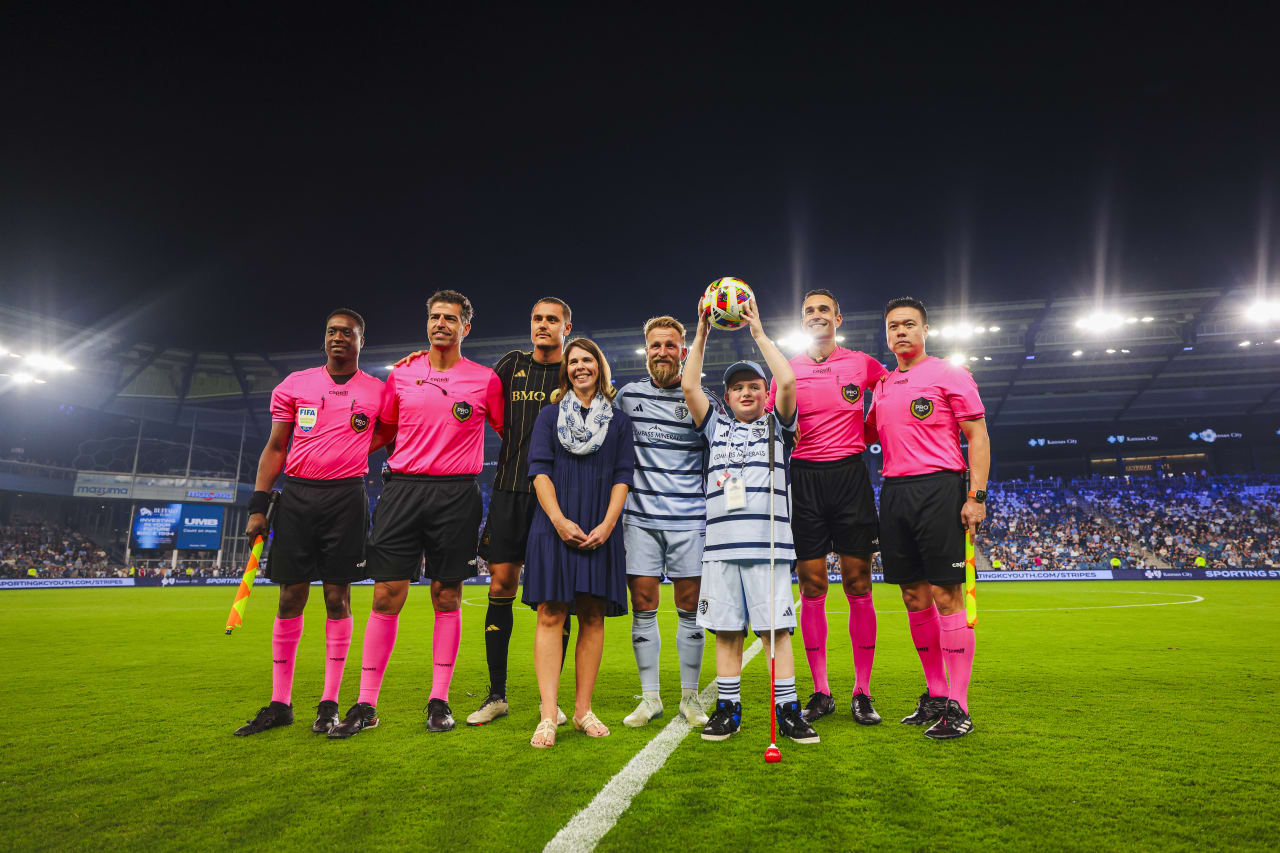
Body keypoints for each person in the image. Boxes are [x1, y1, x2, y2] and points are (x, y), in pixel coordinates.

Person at [328, 290, 504, 738]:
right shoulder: (402, 375)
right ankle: (366, 704)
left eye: (450, 318)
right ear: (427, 323)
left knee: (446, 595)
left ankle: (439, 699)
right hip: (402, 490)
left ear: (466, 327)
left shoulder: (485, 380)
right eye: (434, 317)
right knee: (386, 595)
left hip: (457, 494)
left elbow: (510, 432)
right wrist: (333, 457)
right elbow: (382, 431)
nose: (440, 323)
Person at [234, 308, 387, 736]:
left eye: (348, 333)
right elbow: (275, 447)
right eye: (332, 331)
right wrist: (258, 506)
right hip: (298, 496)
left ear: (361, 341)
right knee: (290, 598)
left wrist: (354, 447)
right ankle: (280, 704)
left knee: (337, 598)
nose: (338, 337)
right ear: (324, 338)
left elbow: (390, 430)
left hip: (346, 498)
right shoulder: (294, 385)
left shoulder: (378, 391)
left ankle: (329, 704)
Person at [682, 298, 819, 745]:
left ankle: (788, 711)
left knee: (776, 631)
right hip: (721, 552)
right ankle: (729, 711)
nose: (746, 392)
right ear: (726, 397)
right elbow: (689, 386)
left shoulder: (778, 426)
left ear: (765, 394)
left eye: (754, 386)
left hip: (768, 549)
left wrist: (758, 332)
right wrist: (701, 333)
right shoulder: (715, 427)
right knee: (726, 633)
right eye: (737, 387)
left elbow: (789, 380)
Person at [865, 296, 990, 740]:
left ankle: (960, 706)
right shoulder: (882, 385)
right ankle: (936, 695)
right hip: (894, 491)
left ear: (924, 330)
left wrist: (976, 496)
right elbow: (864, 430)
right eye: (893, 326)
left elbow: (977, 436)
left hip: (940, 488)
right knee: (913, 596)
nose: (900, 331)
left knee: (946, 594)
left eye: (909, 324)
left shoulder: (949, 373)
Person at [768, 288, 888, 725]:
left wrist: (866, 430)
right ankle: (821, 691)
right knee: (812, 586)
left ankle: (862, 691)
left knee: (858, 583)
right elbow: (771, 422)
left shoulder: (863, 364)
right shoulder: (788, 370)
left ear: (839, 318)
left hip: (850, 476)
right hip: (804, 479)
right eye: (809, 311)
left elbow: (893, 395)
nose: (816, 315)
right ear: (802, 321)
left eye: (824, 309)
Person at [467, 298, 575, 726]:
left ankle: (553, 700)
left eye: (552, 319)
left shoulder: (575, 368)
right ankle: (497, 695)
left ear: (567, 327)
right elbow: (477, 397)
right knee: (501, 584)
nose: (543, 325)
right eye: (537, 318)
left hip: (559, 497)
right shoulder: (511, 365)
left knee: (554, 596)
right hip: (510, 490)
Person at [522, 338, 634, 747]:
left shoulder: (619, 422)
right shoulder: (549, 416)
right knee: (550, 613)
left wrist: (608, 525)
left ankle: (583, 710)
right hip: (554, 525)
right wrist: (558, 520)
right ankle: (548, 714)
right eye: (573, 361)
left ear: (600, 367)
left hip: (600, 526)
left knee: (592, 615)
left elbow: (623, 475)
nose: (580, 367)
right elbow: (539, 471)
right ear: (565, 370)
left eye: (588, 360)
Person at [614, 316, 713, 728]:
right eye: (655, 345)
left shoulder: (700, 398)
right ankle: (650, 698)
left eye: (670, 345)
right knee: (643, 605)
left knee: (690, 607)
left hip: (690, 518)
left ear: (683, 350)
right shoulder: (627, 397)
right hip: (639, 519)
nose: (662, 352)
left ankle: (689, 698)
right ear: (646, 350)